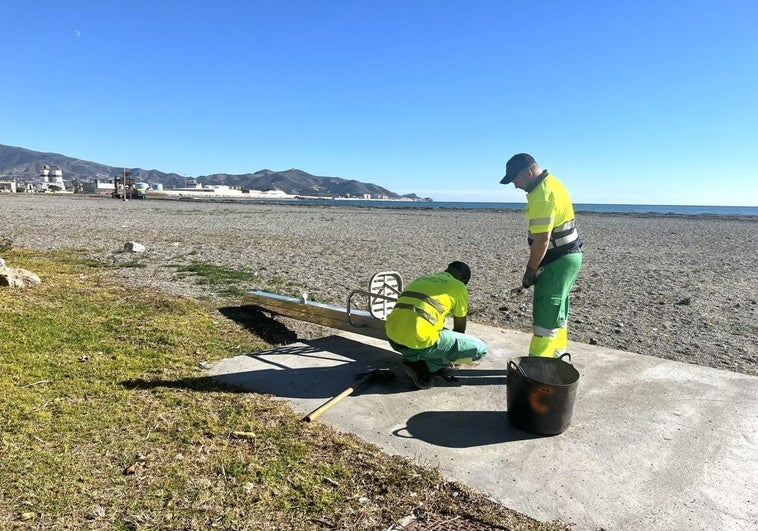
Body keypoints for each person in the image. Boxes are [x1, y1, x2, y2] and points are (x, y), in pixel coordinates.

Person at [499, 153, 583, 358]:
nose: (515, 186)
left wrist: (530, 271)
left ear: (528, 173)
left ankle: (538, 366)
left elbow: (542, 240)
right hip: (570, 258)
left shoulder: (542, 194)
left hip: (556, 262)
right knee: (557, 313)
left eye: (515, 180)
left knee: (545, 317)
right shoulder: (553, 183)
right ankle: (557, 358)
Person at [385, 261, 488, 389]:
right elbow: (459, 329)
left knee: (428, 331)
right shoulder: (459, 286)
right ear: (464, 280)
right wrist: (453, 354)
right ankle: (426, 367)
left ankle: (412, 358)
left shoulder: (422, 279)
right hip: (419, 340)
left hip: (392, 336)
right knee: (480, 349)